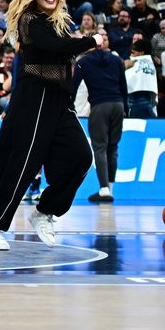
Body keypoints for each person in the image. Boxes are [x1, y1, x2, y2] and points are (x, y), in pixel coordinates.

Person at [0, 0, 102, 251]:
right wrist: (90, 41)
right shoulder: (29, 19)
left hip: (60, 100)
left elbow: (60, 45)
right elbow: (57, 47)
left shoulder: (58, 22)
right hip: (35, 98)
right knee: (23, 165)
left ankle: (45, 211)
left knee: (82, 157)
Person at [73, 29, 127, 203]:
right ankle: (110, 188)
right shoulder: (116, 60)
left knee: (100, 147)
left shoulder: (84, 62)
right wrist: (125, 107)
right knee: (113, 148)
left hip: (99, 106)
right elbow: (123, 85)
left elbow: (73, 87)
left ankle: (103, 190)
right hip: (118, 105)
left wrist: (68, 106)